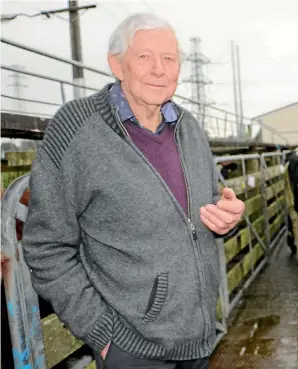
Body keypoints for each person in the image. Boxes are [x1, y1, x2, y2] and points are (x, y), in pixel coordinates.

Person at [21, 13, 244, 369]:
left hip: (199, 337)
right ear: (117, 64)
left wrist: (228, 216)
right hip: (133, 348)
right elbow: (45, 246)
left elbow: (207, 205)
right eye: (144, 57)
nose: (159, 69)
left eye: (169, 59)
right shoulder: (78, 130)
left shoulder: (189, 128)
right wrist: (104, 335)